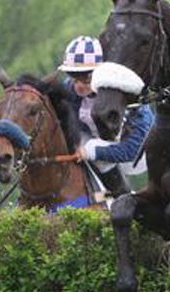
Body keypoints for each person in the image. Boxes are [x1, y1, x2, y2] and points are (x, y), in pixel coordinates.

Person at [59, 36, 155, 197]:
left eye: (86, 77)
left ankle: (122, 197)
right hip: (96, 139)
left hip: (139, 154)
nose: (79, 86)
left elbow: (132, 150)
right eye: (74, 76)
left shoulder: (129, 95)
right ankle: (96, 195)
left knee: (93, 149)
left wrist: (91, 151)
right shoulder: (68, 89)